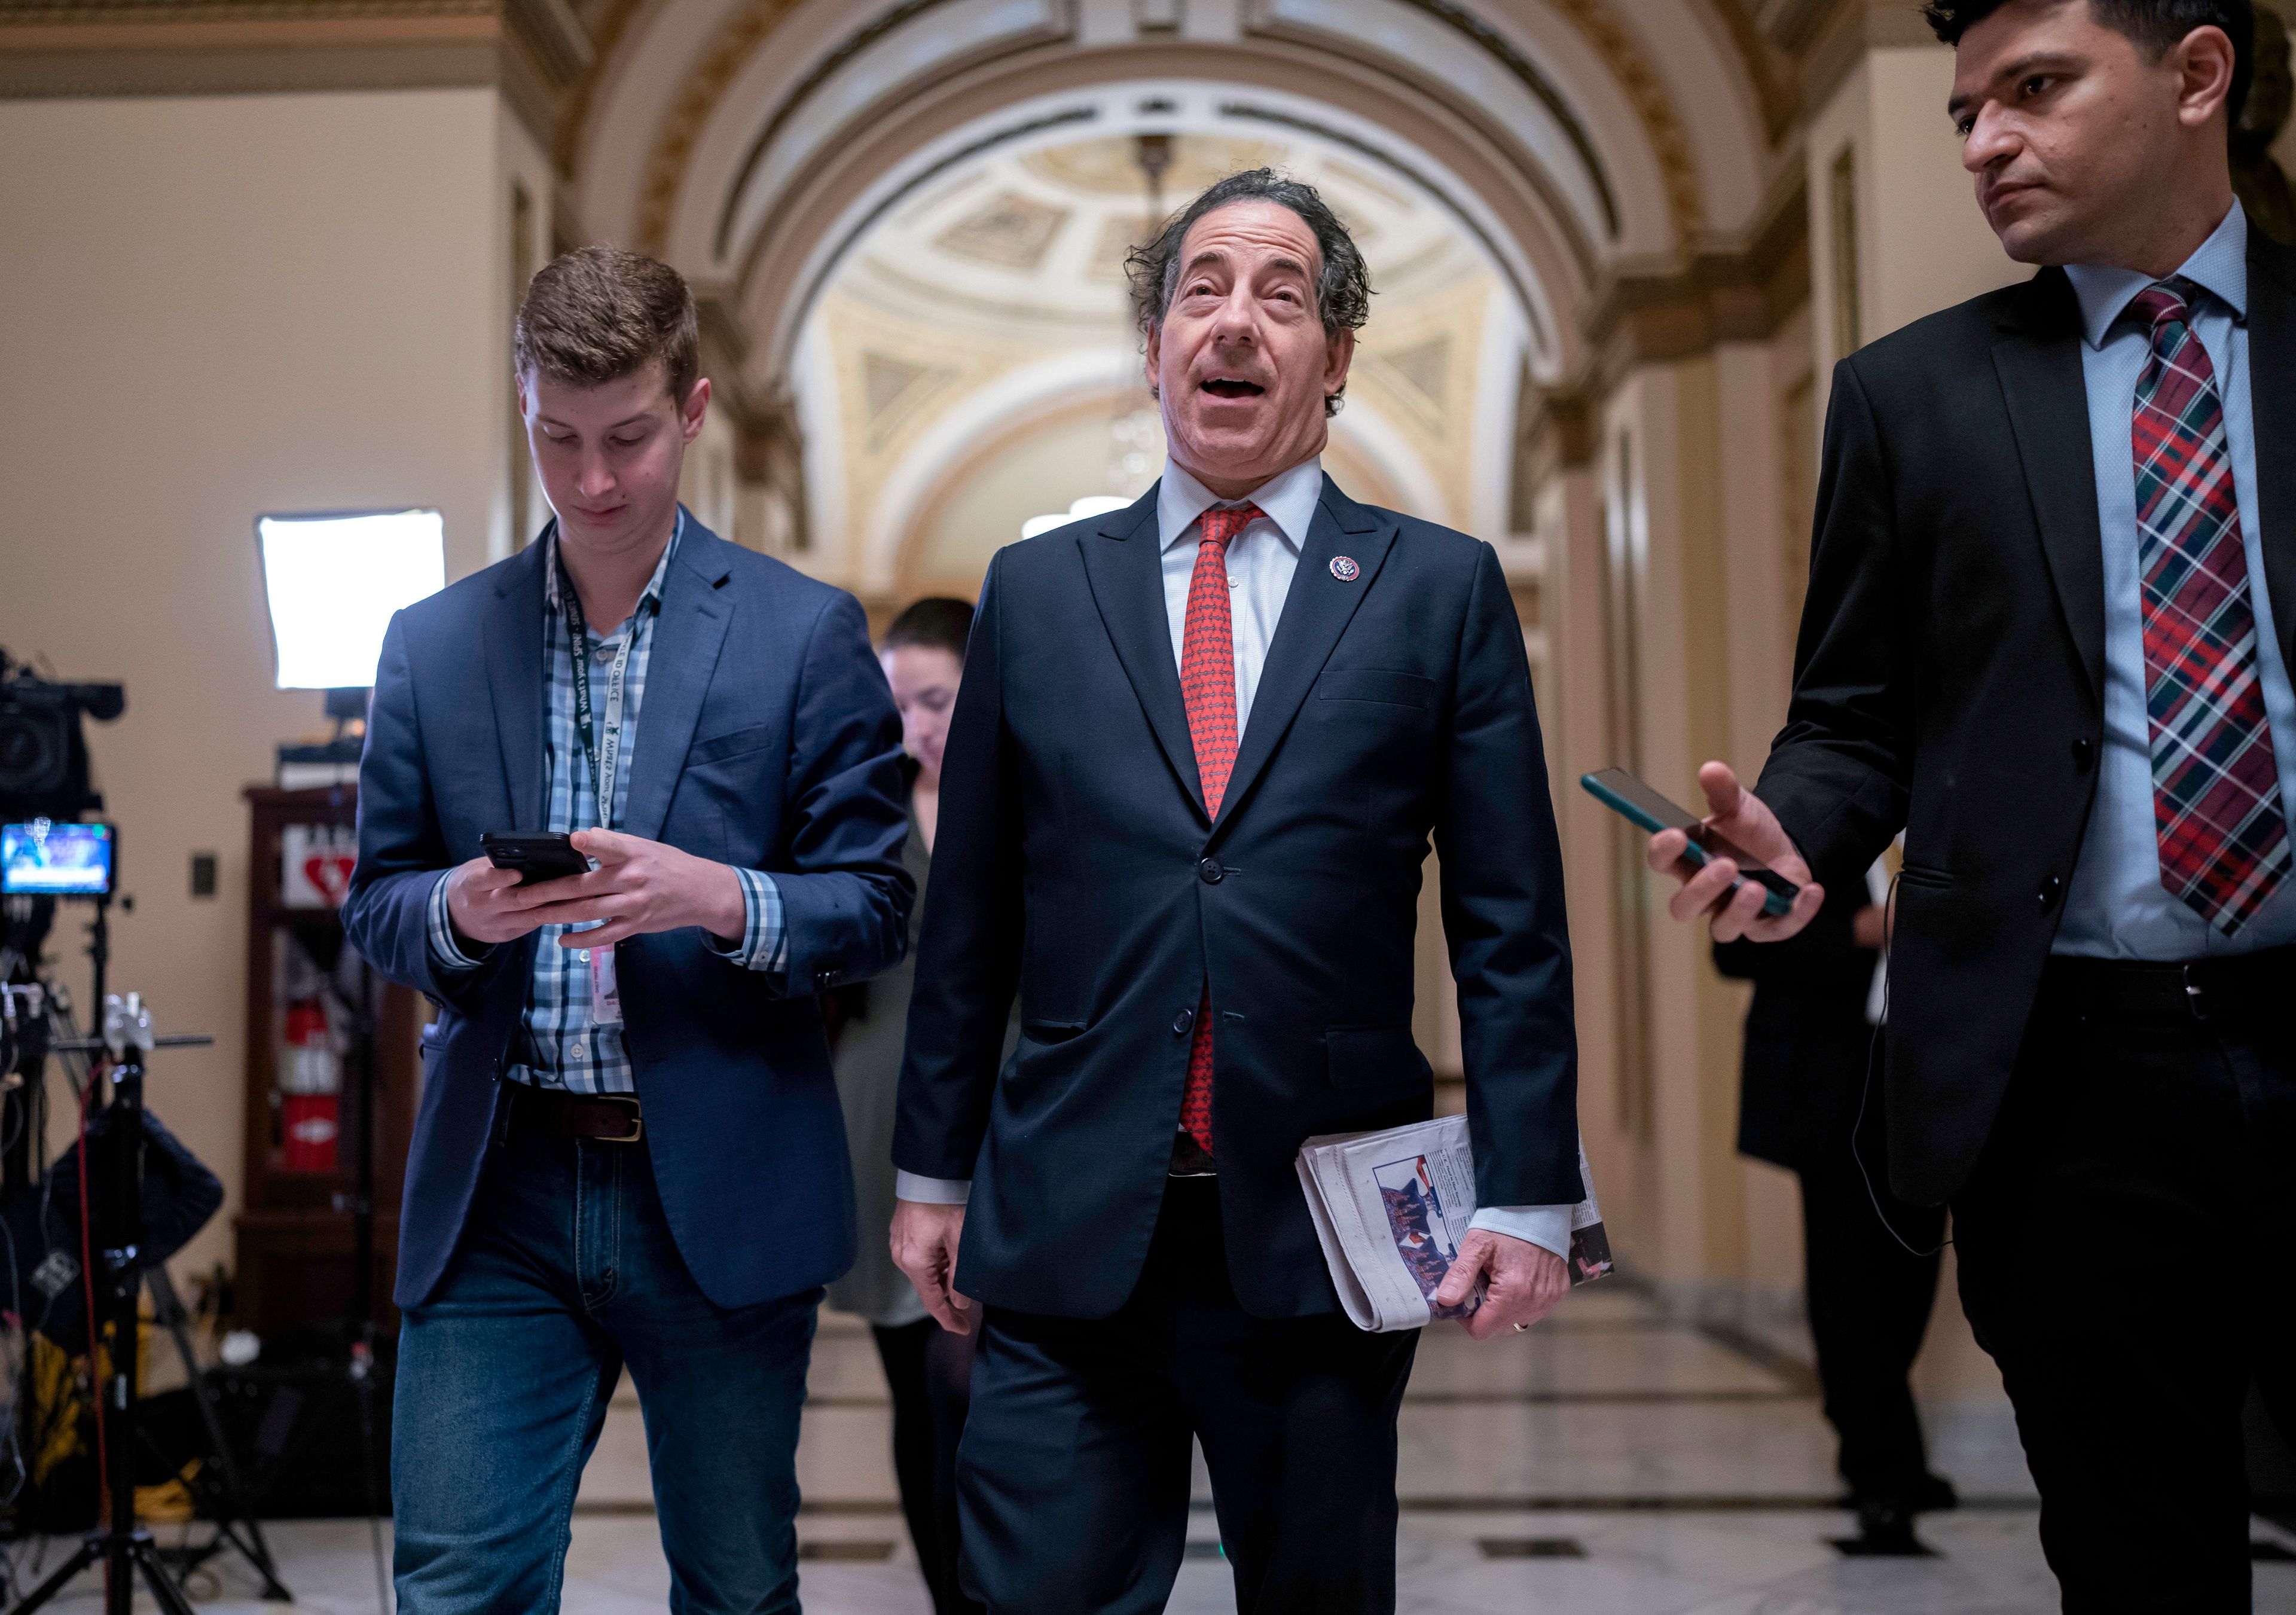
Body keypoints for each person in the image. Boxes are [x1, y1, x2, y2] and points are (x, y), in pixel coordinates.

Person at [1642, 1, 2295, 1604]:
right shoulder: (1912, 396)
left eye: (2037, 89)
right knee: (2142, 1551)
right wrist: (1799, 825)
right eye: (1964, 113)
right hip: (2073, 1081)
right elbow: (1857, 711)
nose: (1987, 139)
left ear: (2199, 76)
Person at [889, 169, 1583, 1615]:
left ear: (1331, 361)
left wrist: (1529, 1188)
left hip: (1320, 1237)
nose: (1235, 321)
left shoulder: (1435, 591)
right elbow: (969, 921)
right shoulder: (1033, 589)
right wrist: (929, 1173)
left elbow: (1508, 923)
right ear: (1152, 351)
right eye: (1200, 288)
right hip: (1069, 1220)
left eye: (1282, 295)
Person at [342, 244, 912, 1613]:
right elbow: (378, 897)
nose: (594, 480)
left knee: (731, 1582)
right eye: (558, 438)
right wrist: (461, 912)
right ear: (523, 413)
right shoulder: (431, 642)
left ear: (697, 409)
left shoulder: (801, 633)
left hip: (714, 1180)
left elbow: (878, 901)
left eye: (630, 438)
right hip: (501, 1188)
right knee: (458, 1584)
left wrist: (716, 893)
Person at [1712, 876, 1956, 1555]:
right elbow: (1733, 950)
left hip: (1930, 1074)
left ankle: (1883, 1444)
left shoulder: (1945, 822)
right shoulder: (1813, 829)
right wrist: (1859, 929)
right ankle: (1881, 1468)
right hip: (1834, 1080)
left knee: (1913, 1266)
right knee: (1848, 1280)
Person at [826, 596, 988, 1615]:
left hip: (996, 1104)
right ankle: (950, 1598)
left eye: (935, 699)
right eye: (899, 706)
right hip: (875, 1106)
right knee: (911, 1381)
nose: (916, 726)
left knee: (974, 1376)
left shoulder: (1025, 793)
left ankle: (999, 1587)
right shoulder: (864, 810)